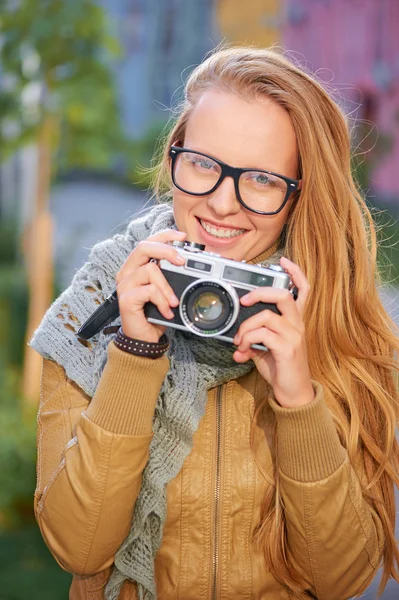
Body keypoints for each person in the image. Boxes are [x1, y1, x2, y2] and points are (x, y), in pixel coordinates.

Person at [31, 47, 399, 600]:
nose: (222, 204)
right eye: (203, 164)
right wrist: (133, 354)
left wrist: (299, 399)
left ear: (300, 194)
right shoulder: (98, 302)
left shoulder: (336, 321)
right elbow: (78, 549)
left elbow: (341, 579)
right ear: (175, 153)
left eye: (261, 180)